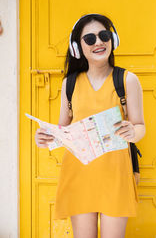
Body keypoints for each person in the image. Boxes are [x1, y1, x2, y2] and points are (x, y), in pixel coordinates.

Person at [35, 13, 145, 238]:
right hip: (79, 176)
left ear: (113, 39)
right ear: (77, 47)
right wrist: (46, 137)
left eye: (104, 35)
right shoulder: (70, 83)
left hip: (116, 176)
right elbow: (62, 129)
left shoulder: (128, 80)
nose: (99, 42)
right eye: (90, 39)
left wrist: (133, 132)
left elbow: (140, 126)